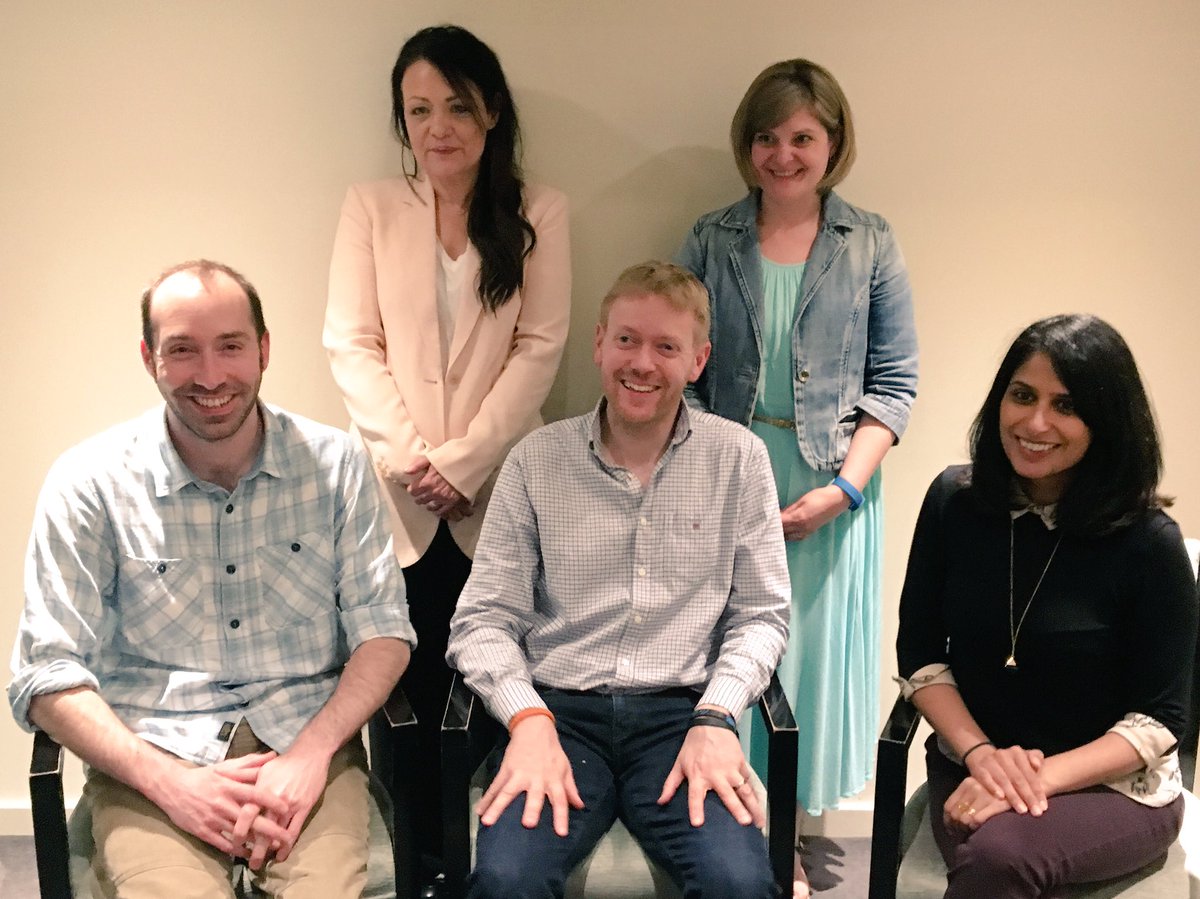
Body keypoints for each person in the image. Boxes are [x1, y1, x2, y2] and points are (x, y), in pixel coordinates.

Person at [8, 259, 416, 898]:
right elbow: (44, 674)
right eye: (182, 351)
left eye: (231, 346)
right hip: (153, 755)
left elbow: (384, 632)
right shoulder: (88, 482)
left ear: (264, 349)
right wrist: (172, 785)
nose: (210, 376)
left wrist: (309, 759)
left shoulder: (334, 465)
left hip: (307, 742)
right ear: (149, 358)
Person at [445, 261, 790, 898]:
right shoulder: (536, 461)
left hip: (681, 717)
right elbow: (483, 619)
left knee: (739, 883)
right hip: (559, 715)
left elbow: (762, 616)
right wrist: (527, 721)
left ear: (698, 360)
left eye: (667, 346)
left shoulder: (739, 459)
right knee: (503, 881)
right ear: (599, 342)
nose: (642, 363)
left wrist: (716, 717)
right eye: (627, 339)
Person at [323, 25, 570, 883]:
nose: (439, 128)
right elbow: (351, 343)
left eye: (457, 107)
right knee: (409, 682)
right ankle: (423, 861)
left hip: (498, 490)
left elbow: (541, 347)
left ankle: (497, 859)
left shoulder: (539, 210)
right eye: (419, 109)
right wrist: (411, 461)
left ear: (492, 111)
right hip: (397, 500)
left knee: (502, 678)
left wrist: (461, 463)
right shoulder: (369, 206)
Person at [675, 57, 918, 891]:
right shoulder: (711, 238)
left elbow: (895, 383)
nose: (784, 154)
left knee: (809, 660)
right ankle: (745, 831)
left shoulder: (870, 240)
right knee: (734, 651)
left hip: (831, 483)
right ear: (747, 145)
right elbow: (684, 371)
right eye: (767, 137)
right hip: (726, 474)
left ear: (833, 142)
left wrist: (843, 490)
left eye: (803, 137)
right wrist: (713, 477)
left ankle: (799, 836)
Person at [896, 314, 1196, 897]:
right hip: (974, 764)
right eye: (1022, 396)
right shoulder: (952, 504)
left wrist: (1035, 778)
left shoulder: (1149, 542)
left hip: (1113, 789)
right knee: (997, 853)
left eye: (1066, 406)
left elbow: (1160, 721)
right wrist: (982, 756)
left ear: (1106, 421)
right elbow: (921, 656)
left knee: (999, 857)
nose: (1035, 423)